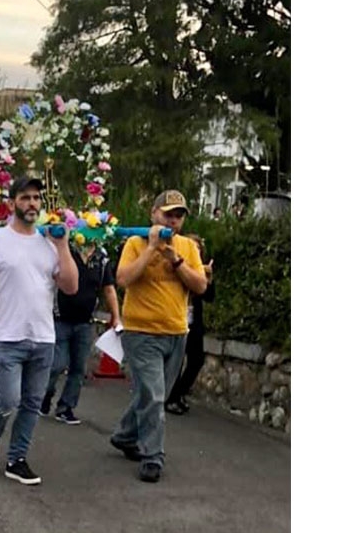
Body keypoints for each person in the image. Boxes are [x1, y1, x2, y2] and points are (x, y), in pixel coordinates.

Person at [0, 177, 79, 486]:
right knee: (7, 400)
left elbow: (71, 286)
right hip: (7, 337)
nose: (32, 203)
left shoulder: (49, 244)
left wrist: (63, 246)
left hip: (43, 338)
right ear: (12, 203)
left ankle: (16, 459)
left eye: (36, 198)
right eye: (25, 197)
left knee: (32, 403)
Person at [109, 190, 207, 483]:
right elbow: (123, 278)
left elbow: (200, 285)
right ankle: (153, 456)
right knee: (153, 395)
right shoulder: (135, 243)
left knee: (153, 394)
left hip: (176, 332)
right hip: (141, 332)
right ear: (154, 214)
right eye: (168, 215)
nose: (173, 221)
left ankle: (125, 435)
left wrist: (176, 260)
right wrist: (152, 248)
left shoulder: (188, 247)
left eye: (178, 216)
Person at [41, 242, 121, 425]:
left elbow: (109, 289)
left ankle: (66, 407)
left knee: (79, 368)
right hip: (60, 319)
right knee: (56, 364)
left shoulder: (101, 259)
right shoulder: (64, 250)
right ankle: (44, 395)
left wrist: (116, 316)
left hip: (85, 322)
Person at [166, 234, 215, 415]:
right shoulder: (175, 267)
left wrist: (208, 279)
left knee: (196, 360)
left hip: (193, 322)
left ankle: (179, 393)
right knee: (176, 362)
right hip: (175, 319)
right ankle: (171, 398)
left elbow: (209, 297)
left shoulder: (200, 272)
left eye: (198, 249)